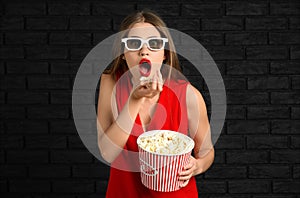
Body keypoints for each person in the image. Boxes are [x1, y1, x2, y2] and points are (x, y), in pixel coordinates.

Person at [97, 10, 214, 198]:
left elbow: (207, 152)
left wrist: (197, 166)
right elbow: (107, 152)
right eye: (134, 44)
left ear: (164, 54)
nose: (144, 51)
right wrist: (135, 100)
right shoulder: (110, 83)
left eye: (154, 44)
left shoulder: (188, 94)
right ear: (124, 54)